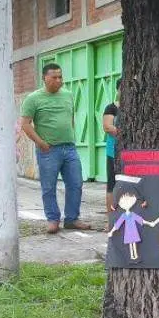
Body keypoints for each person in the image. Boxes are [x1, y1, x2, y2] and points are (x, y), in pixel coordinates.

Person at [20, 63, 91, 234]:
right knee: (49, 186)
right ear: (45, 78)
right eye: (54, 77)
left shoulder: (67, 95)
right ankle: (53, 219)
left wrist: (71, 135)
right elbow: (25, 124)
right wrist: (41, 143)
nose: (59, 80)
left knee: (76, 183)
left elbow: (70, 117)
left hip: (70, 148)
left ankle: (72, 219)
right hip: (48, 150)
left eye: (60, 77)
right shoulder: (33, 99)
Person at [103, 79, 122, 214]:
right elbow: (107, 127)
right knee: (112, 184)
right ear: (118, 90)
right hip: (113, 152)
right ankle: (110, 219)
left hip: (131, 153)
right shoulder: (111, 108)